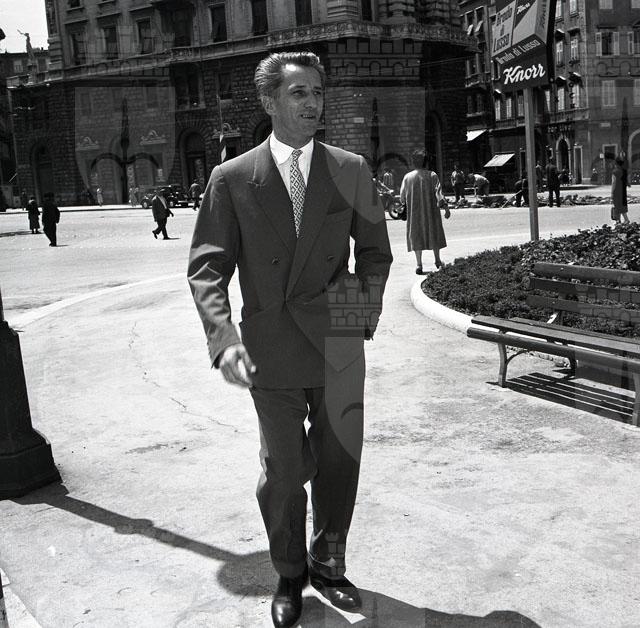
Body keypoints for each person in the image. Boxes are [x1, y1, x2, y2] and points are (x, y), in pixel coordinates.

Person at [188, 51, 392, 628]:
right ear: (270, 101)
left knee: (339, 462)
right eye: (299, 93)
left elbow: (374, 254)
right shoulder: (232, 178)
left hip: (336, 344)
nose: (313, 104)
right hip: (271, 347)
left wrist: (354, 321)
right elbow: (207, 267)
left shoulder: (351, 169)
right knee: (283, 471)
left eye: (318, 93)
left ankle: (328, 562)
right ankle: (289, 571)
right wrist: (224, 337)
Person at [400, 149, 450, 274]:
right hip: (431, 212)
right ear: (426, 162)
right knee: (434, 234)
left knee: (416, 236)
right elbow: (439, 194)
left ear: (413, 162)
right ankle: (438, 261)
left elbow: (402, 198)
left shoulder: (407, 177)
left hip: (414, 213)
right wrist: (446, 208)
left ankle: (419, 265)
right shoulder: (432, 175)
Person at [611, 156, 630, 223]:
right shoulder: (624, 171)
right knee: (622, 206)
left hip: (616, 191)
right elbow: (627, 181)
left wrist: (612, 192)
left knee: (617, 205)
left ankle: (618, 220)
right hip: (623, 191)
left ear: (616, 164)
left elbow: (614, 182)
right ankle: (626, 219)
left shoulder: (614, 172)